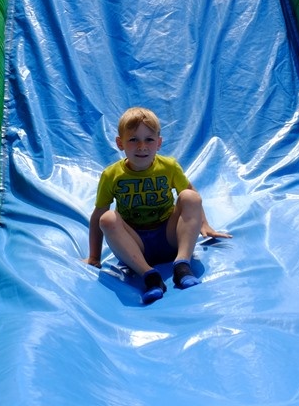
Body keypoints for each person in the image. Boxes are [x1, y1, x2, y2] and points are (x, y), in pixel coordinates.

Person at [86, 107, 232, 304]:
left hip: (170, 238)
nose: (142, 147)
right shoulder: (111, 175)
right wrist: (94, 257)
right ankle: (149, 275)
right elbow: (98, 215)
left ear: (159, 143)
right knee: (107, 218)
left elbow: (193, 196)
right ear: (120, 143)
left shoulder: (168, 167)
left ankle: (182, 265)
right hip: (136, 247)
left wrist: (204, 224)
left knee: (189, 196)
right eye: (133, 140)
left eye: (149, 139)